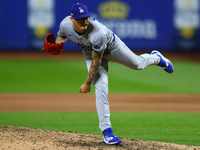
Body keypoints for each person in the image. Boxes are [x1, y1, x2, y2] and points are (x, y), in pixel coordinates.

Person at [54, 3, 174, 145]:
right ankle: (107, 133)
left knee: (138, 64)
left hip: (112, 48)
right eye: (80, 19)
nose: (84, 21)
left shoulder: (97, 33)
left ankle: (157, 58)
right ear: (72, 19)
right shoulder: (65, 24)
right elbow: (61, 35)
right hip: (90, 52)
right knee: (101, 87)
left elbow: (97, 61)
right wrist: (58, 45)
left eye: (86, 18)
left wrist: (87, 83)